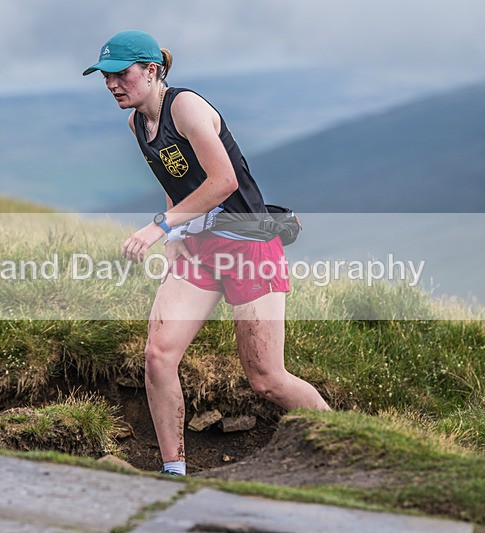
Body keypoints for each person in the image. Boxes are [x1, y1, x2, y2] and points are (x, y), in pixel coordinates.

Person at [83, 30, 330, 476]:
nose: (112, 84)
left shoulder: (187, 107)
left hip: (249, 245)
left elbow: (223, 183)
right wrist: (176, 240)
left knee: (266, 380)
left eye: (121, 73)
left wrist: (158, 228)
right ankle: (172, 473)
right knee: (158, 355)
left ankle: (345, 444)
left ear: (152, 70)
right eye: (106, 76)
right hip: (198, 248)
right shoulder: (137, 122)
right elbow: (173, 184)